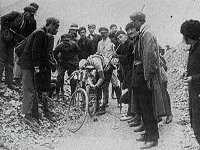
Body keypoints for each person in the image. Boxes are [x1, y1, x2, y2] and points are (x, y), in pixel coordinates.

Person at [18, 17, 59, 127]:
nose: (57, 29)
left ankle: (34, 114)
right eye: (56, 26)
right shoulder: (40, 33)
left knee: (34, 90)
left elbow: (44, 53)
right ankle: (26, 115)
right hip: (28, 66)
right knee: (29, 90)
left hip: (30, 65)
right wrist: (37, 68)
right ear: (50, 24)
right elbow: (35, 51)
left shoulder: (44, 34)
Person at [129, 11, 161, 148]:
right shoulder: (142, 33)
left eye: (134, 21)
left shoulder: (147, 33)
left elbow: (149, 57)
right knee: (143, 107)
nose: (133, 24)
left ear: (139, 21)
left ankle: (153, 138)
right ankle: (148, 133)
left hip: (143, 76)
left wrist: (148, 77)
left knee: (147, 108)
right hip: (140, 75)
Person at [0, 6, 37, 89]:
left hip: (11, 42)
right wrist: (5, 31)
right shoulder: (16, 14)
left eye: (32, 15)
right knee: (1, 60)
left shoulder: (25, 22)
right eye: (30, 15)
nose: (31, 17)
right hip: (3, 40)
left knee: (10, 62)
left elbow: (18, 33)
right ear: (26, 12)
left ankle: (9, 83)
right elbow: (2, 19)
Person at [180, 19, 200, 145]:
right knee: (195, 123)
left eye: (184, 35)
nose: (183, 38)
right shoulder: (194, 47)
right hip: (194, 92)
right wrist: (187, 74)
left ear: (190, 35)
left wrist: (193, 78)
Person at [97, 27, 116, 107]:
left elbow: (115, 55)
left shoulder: (112, 42)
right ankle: (99, 101)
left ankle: (105, 103)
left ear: (107, 33)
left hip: (109, 66)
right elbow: (98, 53)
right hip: (101, 66)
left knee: (106, 84)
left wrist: (112, 64)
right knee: (99, 83)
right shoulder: (99, 43)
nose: (103, 34)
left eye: (104, 32)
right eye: (101, 33)